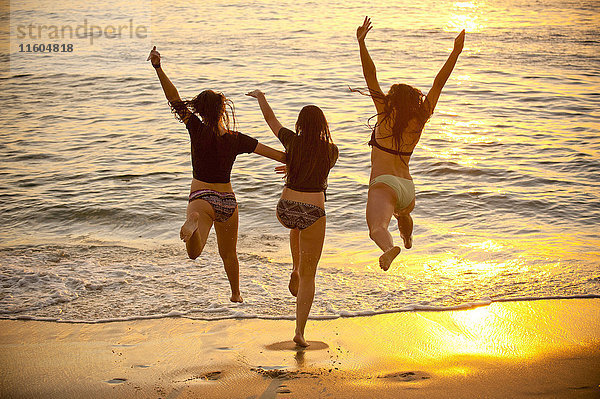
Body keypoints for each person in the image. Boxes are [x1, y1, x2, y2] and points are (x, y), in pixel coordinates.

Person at [147, 47, 286, 303]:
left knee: (194, 253)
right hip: (228, 201)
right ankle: (236, 293)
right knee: (229, 253)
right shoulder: (236, 139)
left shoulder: (195, 127)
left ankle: (193, 228)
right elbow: (278, 155)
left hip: (201, 197)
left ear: (199, 110)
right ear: (223, 110)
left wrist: (158, 67)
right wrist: (292, 164)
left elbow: (174, 98)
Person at [355, 17, 465, 271]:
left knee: (377, 228)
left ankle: (389, 247)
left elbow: (370, 76)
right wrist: (455, 52)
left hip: (385, 185)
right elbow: (439, 83)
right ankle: (407, 237)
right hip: (407, 188)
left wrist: (361, 43)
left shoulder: (384, 112)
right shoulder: (421, 116)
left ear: (393, 100)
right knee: (402, 213)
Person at [246, 89, 338, 347]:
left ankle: (294, 267)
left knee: (296, 226)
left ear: (299, 125)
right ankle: (299, 331)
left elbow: (271, 121)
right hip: (313, 211)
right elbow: (316, 168)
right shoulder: (332, 151)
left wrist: (262, 97)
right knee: (311, 276)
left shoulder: (291, 141)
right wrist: (294, 164)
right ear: (323, 126)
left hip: (285, 209)